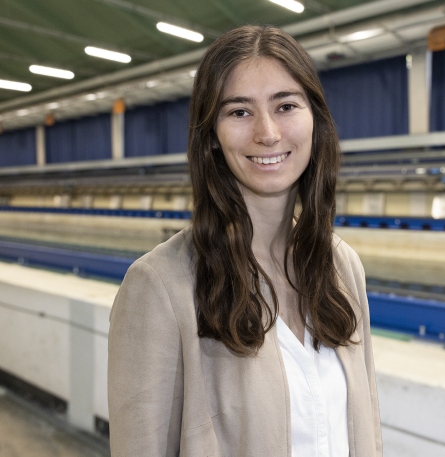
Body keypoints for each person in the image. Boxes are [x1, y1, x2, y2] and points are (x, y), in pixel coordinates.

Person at [108, 25, 382, 457]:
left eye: (286, 105)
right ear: (211, 137)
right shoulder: (161, 286)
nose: (267, 133)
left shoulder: (341, 266)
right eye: (239, 112)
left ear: (315, 120)